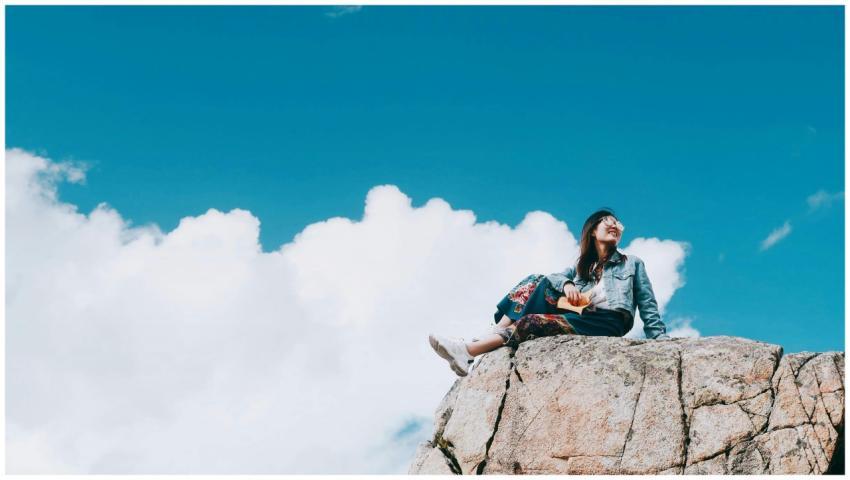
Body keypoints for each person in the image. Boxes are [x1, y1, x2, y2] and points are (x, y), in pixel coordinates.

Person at [428, 208, 671, 377]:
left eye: (617, 224)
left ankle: (469, 350)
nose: (614, 226)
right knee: (536, 284)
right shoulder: (581, 269)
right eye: (608, 221)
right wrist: (568, 285)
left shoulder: (632, 263)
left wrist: (660, 341)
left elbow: (647, 303)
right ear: (593, 230)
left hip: (608, 322)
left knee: (531, 316)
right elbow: (552, 279)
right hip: (580, 315)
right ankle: (489, 336)